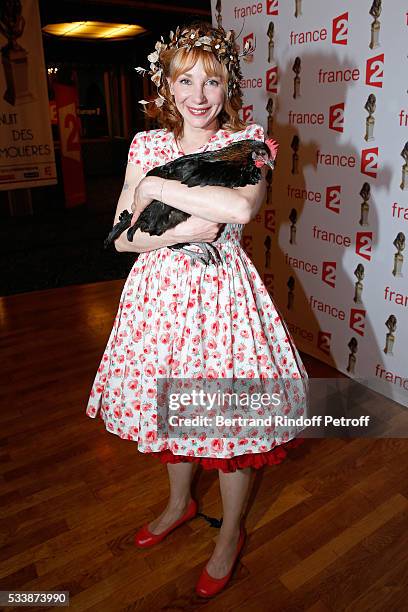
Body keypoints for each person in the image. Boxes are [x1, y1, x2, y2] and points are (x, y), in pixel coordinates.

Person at [86, 21, 308, 598]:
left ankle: (229, 535)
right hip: (157, 300)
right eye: (186, 80)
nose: (199, 95)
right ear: (167, 86)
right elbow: (120, 237)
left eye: (212, 81)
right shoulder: (147, 145)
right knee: (170, 411)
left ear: (228, 85)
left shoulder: (247, 142)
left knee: (226, 424)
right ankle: (180, 504)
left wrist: (154, 192)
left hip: (221, 304)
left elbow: (238, 207)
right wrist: (179, 226)